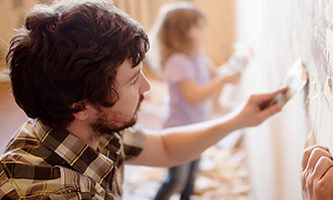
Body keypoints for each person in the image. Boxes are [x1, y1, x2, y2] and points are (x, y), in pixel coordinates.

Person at [0, 0, 284, 199]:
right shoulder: (54, 193)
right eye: (133, 79)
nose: (147, 87)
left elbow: (166, 147)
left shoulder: (91, 127)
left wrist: (239, 119)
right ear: (80, 106)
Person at [148, 3, 241, 200]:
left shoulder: (198, 55)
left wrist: (236, 64)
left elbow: (216, 73)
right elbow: (194, 97)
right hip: (179, 129)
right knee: (176, 181)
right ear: (182, 33)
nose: (204, 33)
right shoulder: (178, 61)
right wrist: (223, 80)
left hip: (197, 126)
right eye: (198, 28)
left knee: (191, 178)